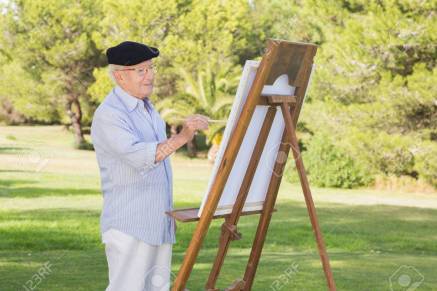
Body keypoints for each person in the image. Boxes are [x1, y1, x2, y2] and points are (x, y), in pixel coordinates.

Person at [90, 41, 208, 291]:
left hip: (156, 223)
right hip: (130, 226)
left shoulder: (148, 109)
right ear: (120, 75)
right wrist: (183, 137)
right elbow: (140, 157)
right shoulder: (110, 114)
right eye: (141, 70)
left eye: (151, 68)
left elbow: (158, 167)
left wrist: (165, 210)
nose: (150, 75)